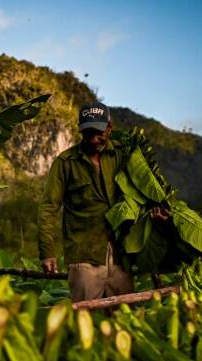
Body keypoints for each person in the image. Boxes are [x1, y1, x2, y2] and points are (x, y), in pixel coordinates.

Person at [37, 102, 168, 301]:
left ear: (109, 127)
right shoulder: (65, 162)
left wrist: (158, 214)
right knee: (85, 321)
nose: (94, 139)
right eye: (88, 133)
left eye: (99, 132)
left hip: (121, 255)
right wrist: (47, 252)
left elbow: (144, 191)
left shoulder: (125, 154)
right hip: (84, 256)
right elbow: (48, 207)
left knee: (124, 319)